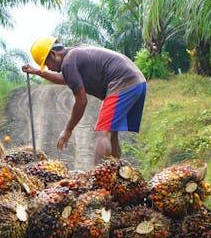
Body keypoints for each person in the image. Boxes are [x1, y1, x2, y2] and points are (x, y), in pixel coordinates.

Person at [21, 36, 146, 164]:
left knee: (103, 133)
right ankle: (117, 175)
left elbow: (81, 101)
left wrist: (68, 129)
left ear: (53, 54)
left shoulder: (68, 62)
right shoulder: (75, 53)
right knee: (111, 132)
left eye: (47, 64)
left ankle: (99, 179)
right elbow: (66, 78)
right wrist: (38, 72)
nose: (48, 68)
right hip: (138, 81)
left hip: (123, 82)